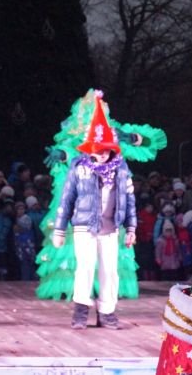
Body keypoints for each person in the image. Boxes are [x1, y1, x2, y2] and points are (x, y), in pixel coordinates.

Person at [52, 92, 136, 330]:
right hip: (84, 226)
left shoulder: (121, 169)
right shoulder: (79, 167)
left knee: (110, 271)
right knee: (86, 267)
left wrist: (131, 228)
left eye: (105, 150)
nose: (101, 154)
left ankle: (107, 312)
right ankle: (81, 312)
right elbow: (67, 198)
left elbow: (129, 200)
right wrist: (59, 229)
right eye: (97, 150)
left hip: (110, 228)